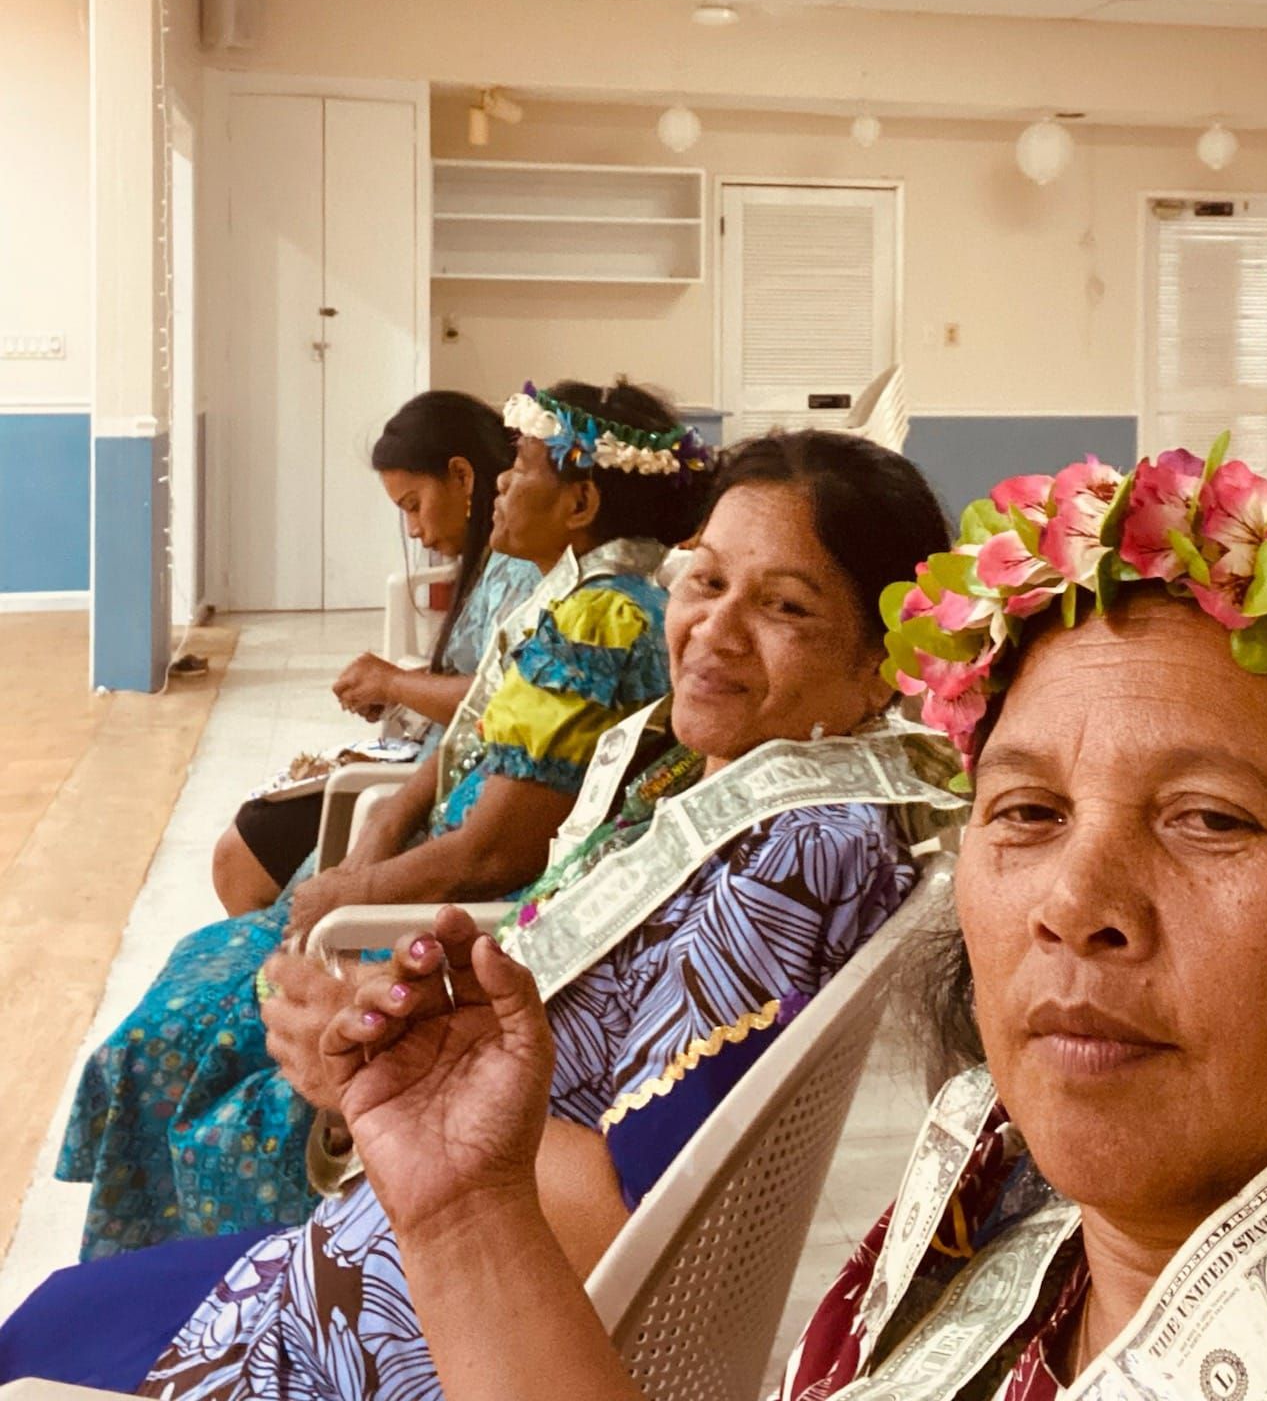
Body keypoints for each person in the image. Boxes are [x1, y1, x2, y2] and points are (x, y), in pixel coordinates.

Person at [221, 440, 1267, 1401]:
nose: (1078, 908)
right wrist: (463, 1212)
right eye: (1024, 812)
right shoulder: (982, 1206)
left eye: (1211, 820)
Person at [0, 431, 966, 1396]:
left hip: (438, 1314)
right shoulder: (714, 772)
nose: (714, 630)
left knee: (44, 1331)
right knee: (64, 1300)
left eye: (786, 606)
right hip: (425, 1232)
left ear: (884, 661)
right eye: (706, 581)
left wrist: (390, 1092)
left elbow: (624, 1203)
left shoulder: (801, 854)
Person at [55, 379, 708, 1261]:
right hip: (422, 889)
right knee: (197, 971)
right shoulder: (571, 598)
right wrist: (370, 847)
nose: (503, 488)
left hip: (448, 936)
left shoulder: (602, 620)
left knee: (173, 1043)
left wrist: (358, 893)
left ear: (583, 501)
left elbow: (494, 851)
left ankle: (193, 1276)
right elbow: (463, 745)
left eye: (519, 469)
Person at [214, 390, 538, 916]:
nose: (414, 529)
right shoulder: (498, 562)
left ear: (462, 476)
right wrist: (401, 691)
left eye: (414, 505)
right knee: (248, 837)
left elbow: (504, 701)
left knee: (241, 855)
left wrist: (396, 684)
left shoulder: (527, 571)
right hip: (430, 768)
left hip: (446, 784)